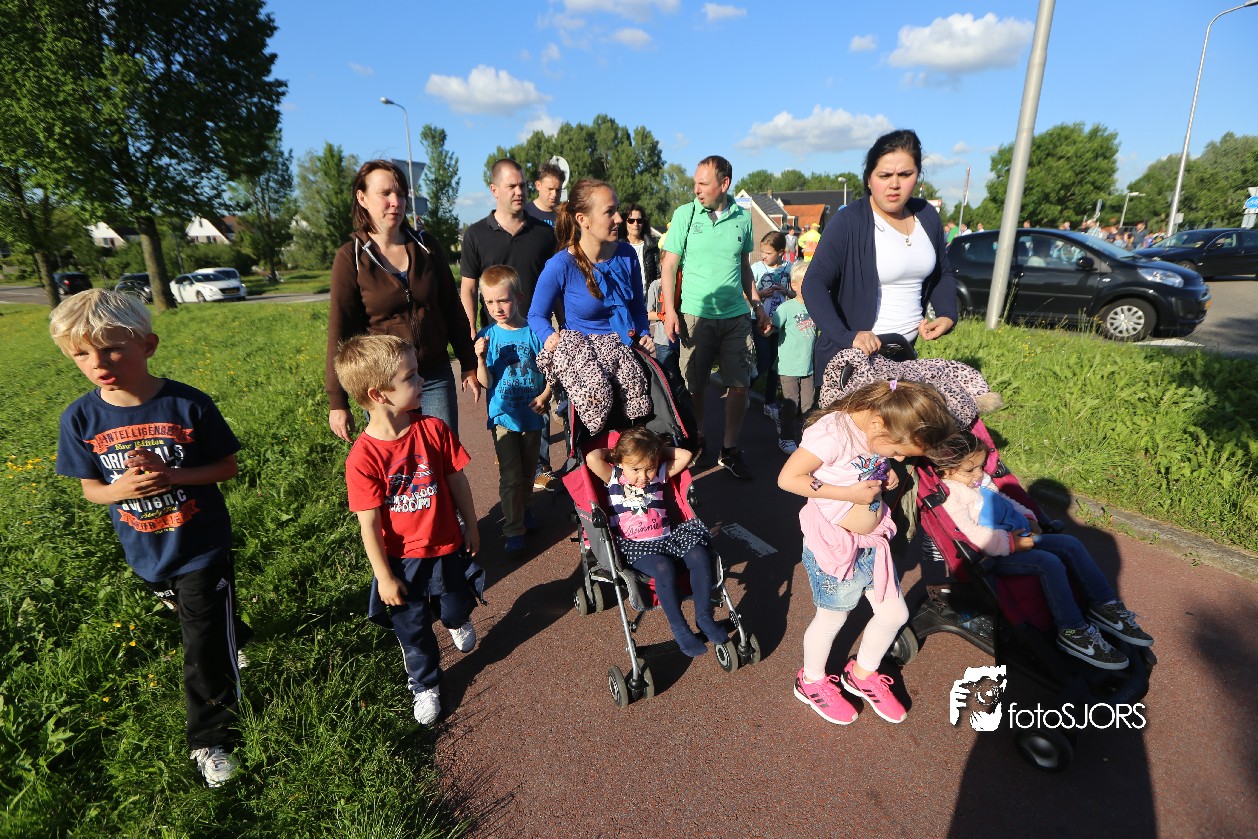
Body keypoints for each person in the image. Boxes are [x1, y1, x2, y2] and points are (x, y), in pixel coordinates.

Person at [51, 289, 247, 787]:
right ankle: (232, 633)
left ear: (148, 345)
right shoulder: (80, 418)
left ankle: (212, 739)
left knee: (200, 645)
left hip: (200, 544)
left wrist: (173, 476)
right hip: (145, 551)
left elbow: (226, 466)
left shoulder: (187, 404)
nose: (98, 363)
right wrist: (116, 490)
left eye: (112, 349)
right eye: (81, 354)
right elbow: (91, 488)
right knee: (198, 616)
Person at [777, 380, 958, 725]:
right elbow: (788, 478)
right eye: (899, 451)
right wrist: (848, 494)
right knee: (832, 618)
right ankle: (811, 681)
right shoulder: (832, 435)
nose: (901, 458)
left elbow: (864, 463)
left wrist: (885, 473)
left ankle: (861, 674)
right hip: (834, 545)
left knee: (894, 614)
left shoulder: (879, 427)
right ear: (878, 423)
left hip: (871, 540)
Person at [335, 334, 483, 725]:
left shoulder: (433, 429)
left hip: (447, 544)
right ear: (378, 394)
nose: (421, 382)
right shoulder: (363, 458)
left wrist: (470, 525)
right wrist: (383, 576)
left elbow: (457, 480)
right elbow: (368, 523)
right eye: (411, 376)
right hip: (402, 561)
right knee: (413, 629)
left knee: (455, 606)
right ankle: (424, 684)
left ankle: (456, 621)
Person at [932, 431, 1152, 669]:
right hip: (994, 555)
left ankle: (1105, 606)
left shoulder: (979, 481)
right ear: (945, 471)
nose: (979, 474)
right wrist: (1010, 543)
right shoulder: (951, 495)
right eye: (970, 470)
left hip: (1019, 537)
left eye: (981, 466)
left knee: (1070, 543)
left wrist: (1028, 517)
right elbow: (968, 533)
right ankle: (1073, 631)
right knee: (1048, 562)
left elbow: (1004, 502)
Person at [326, 160, 479, 443]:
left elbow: (451, 307)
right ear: (362, 198)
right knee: (399, 462)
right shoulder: (351, 257)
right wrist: (338, 401)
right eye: (385, 193)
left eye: (400, 194)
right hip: (384, 385)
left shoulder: (426, 246)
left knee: (442, 455)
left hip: (433, 375)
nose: (395, 202)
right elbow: (340, 332)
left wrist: (469, 362)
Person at [802, 129, 958, 377]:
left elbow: (942, 272)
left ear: (918, 176)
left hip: (904, 357)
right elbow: (813, 283)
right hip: (852, 362)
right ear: (868, 178)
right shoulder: (848, 222)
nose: (894, 184)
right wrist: (848, 336)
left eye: (905, 174)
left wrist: (947, 314)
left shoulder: (926, 215)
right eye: (884, 175)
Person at [660, 155, 770, 480]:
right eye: (695, 183)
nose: (696, 189)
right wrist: (670, 311)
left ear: (724, 183)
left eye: (703, 184)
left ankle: (729, 449)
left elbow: (744, 267)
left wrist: (758, 306)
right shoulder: (685, 214)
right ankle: (698, 438)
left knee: (740, 386)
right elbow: (669, 265)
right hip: (696, 315)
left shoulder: (743, 218)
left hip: (736, 317)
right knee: (696, 386)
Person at [585, 427, 728, 657]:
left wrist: (653, 451)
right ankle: (679, 627)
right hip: (635, 546)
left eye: (648, 468)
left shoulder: (658, 474)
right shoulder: (614, 477)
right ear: (621, 463)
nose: (643, 477)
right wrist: (621, 454)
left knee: (699, 554)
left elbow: (685, 455)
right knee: (663, 567)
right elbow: (592, 458)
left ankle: (704, 617)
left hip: (668, 538)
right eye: (636, 469)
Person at [460, 159, 558, 487]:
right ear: (494, 190)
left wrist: (561, 327)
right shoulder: (476, 235)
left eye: (523, 185)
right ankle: (510, 458)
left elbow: (556, 283)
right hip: (498, 338)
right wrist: (469, 330)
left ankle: (540, 465)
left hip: (535, 332)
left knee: (537, 391)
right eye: (512, 186)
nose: (519, 191)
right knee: (504, 395)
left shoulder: (543, 234)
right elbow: (468, 287)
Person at [474, 265, 550, 557]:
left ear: (518, 297)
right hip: (503, 417)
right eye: (490, 302)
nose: (497, 308)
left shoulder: (534, 333)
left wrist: (545, 396)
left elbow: (551, 370)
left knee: (529, 472)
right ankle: (513, 530)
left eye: (503, 300)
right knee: (510, 476)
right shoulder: (488, 336)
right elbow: (485, 382)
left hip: (532, 415)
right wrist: (481, 359)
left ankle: (525, 508)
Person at [771, 262, 818, 453]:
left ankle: (807, 439)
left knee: (808, 405)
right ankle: (786, 438)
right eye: (806, 283)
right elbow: (772, 329)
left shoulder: (816, 307)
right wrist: (766, 329)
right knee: (791, 403)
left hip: (808, 366)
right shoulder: (786, 308)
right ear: (794, 285)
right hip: (789, 366)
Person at [750, 231, 793, 426]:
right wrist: (760, 293)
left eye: (768, 253)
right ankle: (742, 389)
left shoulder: (790, 268)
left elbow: (798, 293)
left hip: (781, 322)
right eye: (762, 252)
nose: (763, 256)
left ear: (781, 252)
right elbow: (745, 294)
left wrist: (787, 291)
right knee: (764, 361)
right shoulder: (756, 268)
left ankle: (770, 401)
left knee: (776, 363)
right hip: (759, 321)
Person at [620, 203, 659, 297]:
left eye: (639, 220)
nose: (636, 224)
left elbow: (658, 275)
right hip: (626, 299)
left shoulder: (652, 246)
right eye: (631, 221)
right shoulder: (618, 247)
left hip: (649, 299)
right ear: (625, 223)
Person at [525, 160, 565, 227]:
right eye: (550, 189)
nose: (554, 194)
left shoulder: (565, 216)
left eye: (558, 190)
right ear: (538, 185)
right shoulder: (524, 213)